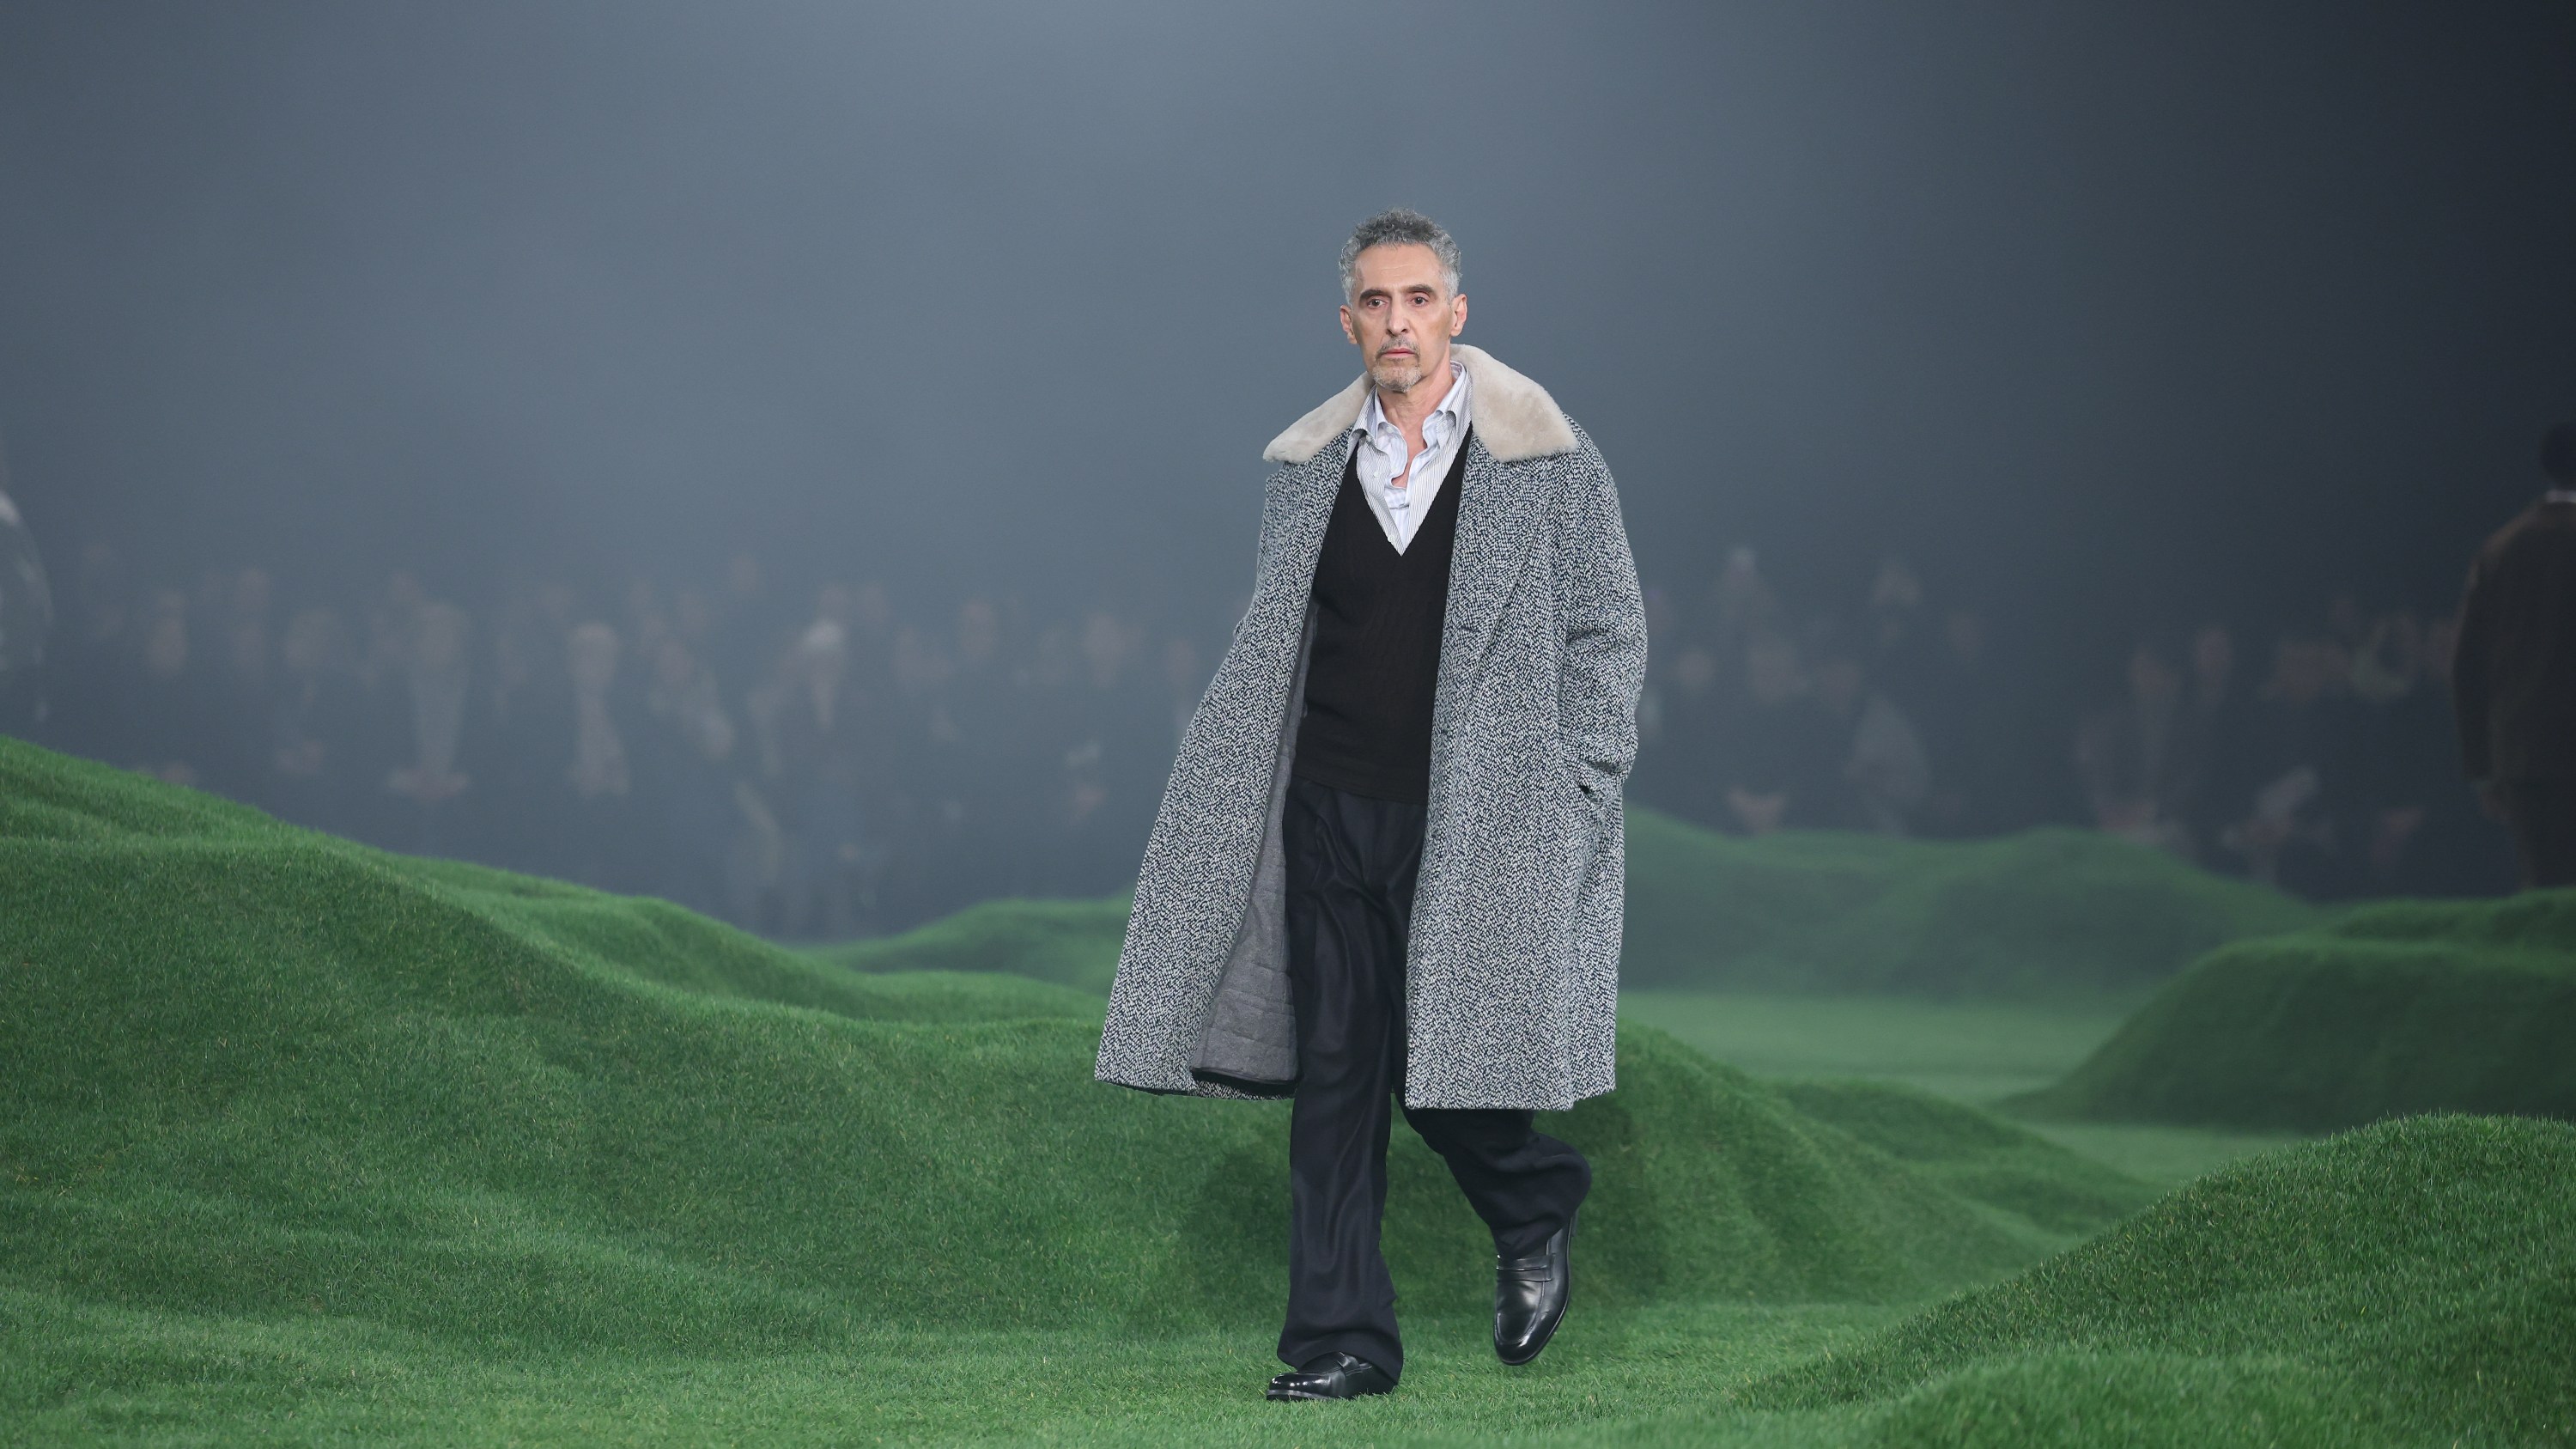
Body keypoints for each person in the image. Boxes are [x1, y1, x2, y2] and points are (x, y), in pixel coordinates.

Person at [1095, 210, 1646, 1402]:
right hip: (1326, 808)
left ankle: (1533, 1197)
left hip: (1477, 820)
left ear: (1457, 312)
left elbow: (1609, 626)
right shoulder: (1304, 469)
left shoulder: (1548, 458)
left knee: (1438, 1067)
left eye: (1419, 298)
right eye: (1377, 302)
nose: (1399, 322)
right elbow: (1284, 643)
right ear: (1347, 321)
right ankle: (1341, 1340)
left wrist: (1579, 780)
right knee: (1338, 1077)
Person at [2451, 422, 2576, 888]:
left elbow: (2467, 666)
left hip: (2522, 753)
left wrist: (2482, 768)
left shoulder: (2499, 548)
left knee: (2544, 890)